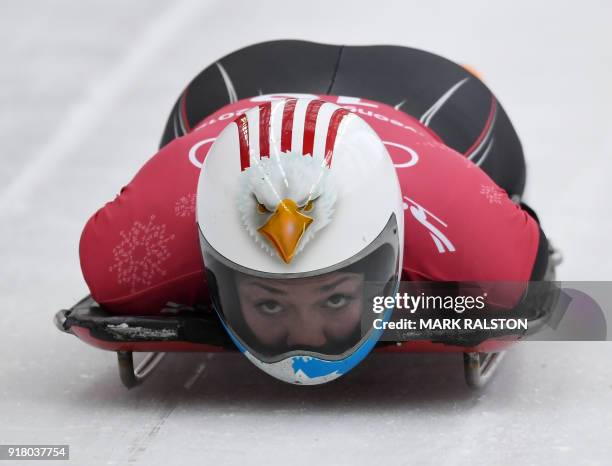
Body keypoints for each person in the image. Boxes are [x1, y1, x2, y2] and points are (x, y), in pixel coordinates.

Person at [79, 41, 549, 384]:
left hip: (420, 99)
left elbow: (528, 257)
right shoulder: (142, 242)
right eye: (268, 302)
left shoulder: (469, 235)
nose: (307, 338)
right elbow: (552, 284)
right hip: (415, 89)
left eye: (335, 298)